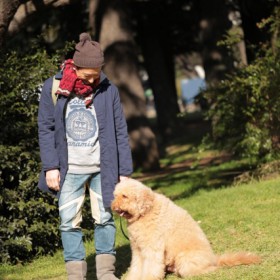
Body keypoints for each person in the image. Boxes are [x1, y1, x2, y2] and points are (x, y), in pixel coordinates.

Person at [38, 32, 133, 280]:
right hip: (69, 170)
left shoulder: (107, 89)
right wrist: (50, 167)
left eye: (97, 74)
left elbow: (120, 131)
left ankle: (106, 273)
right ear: (75, 66)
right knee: (68, 222)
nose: (93, 80)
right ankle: (75, 276)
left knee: (105, 219)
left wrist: (124, 172)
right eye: (87, 74)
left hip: (104, 167)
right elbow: (46, 129)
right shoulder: (54, 87)